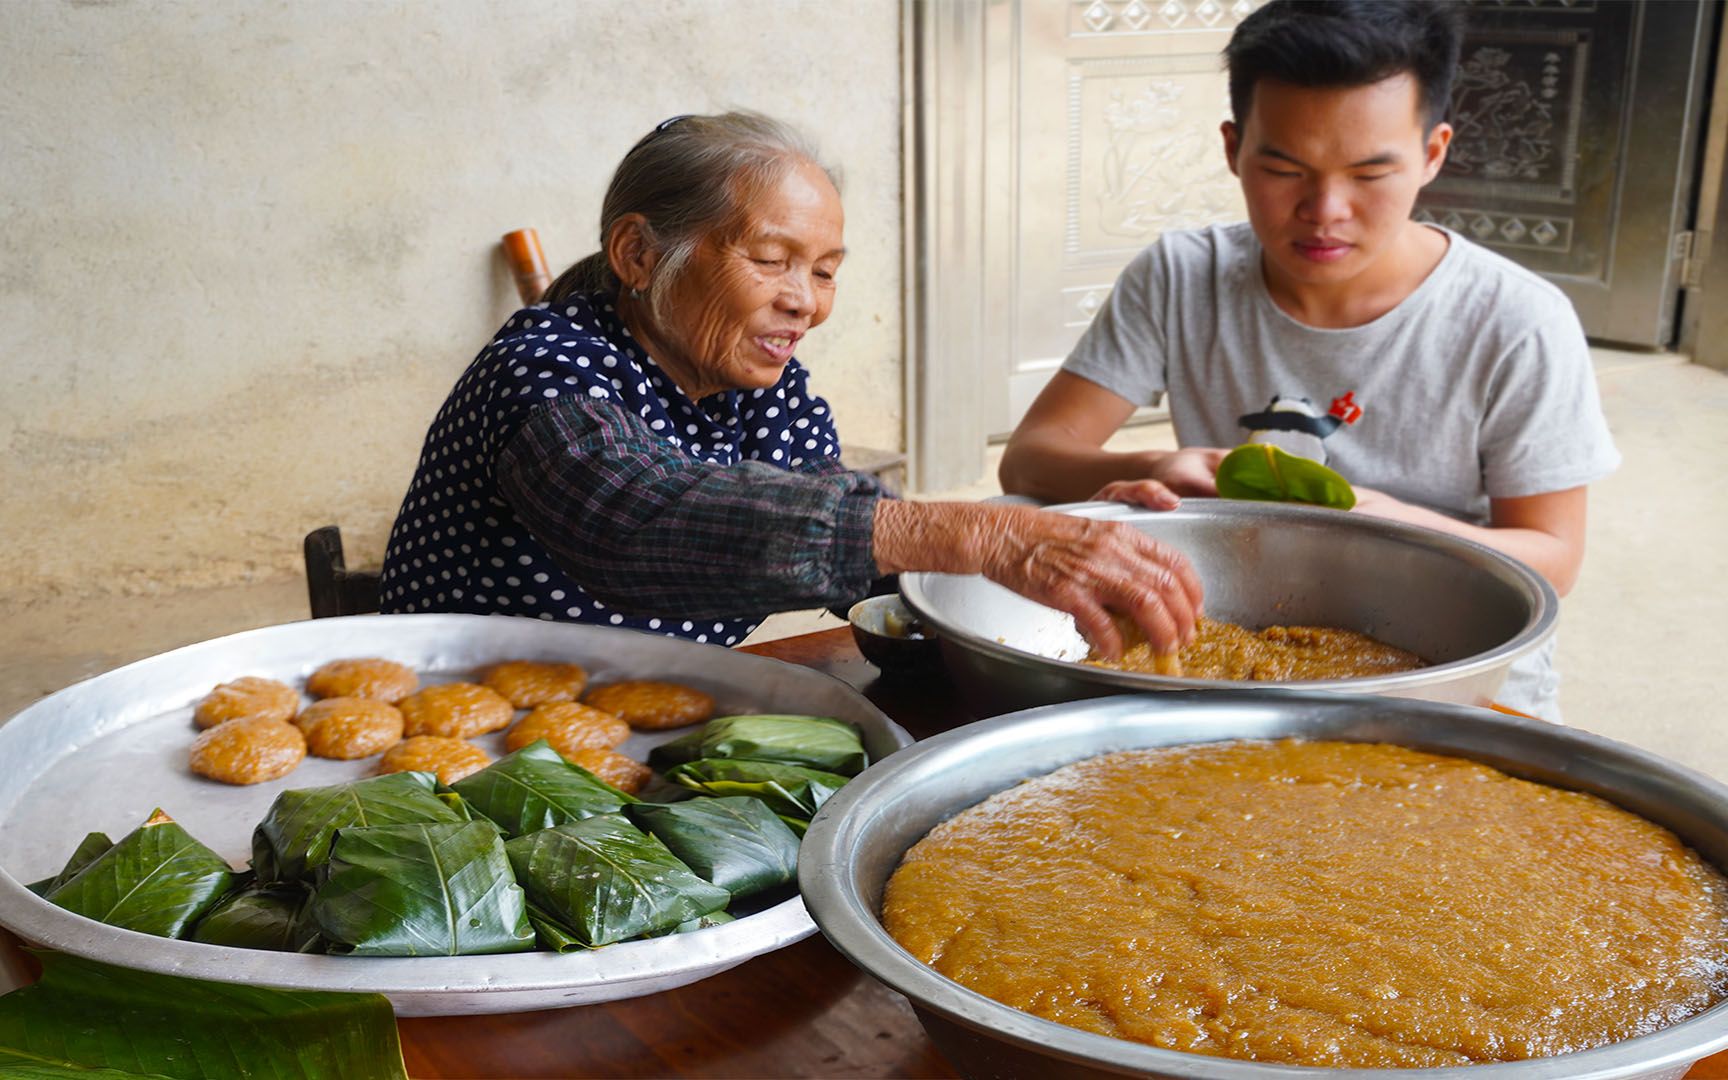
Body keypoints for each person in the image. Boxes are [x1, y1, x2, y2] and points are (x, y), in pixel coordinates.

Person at [379, 111, 1201, 658]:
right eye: (770, 261)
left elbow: (855, 535)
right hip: (464, 737)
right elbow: (628, 519)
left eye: (824, 271)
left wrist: (1064, 531)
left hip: (650, 720)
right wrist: (982, 538)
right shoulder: (544, 366)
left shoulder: (766, 386)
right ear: (636, 254)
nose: (804, 301)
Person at [997, 0, 1619, 719]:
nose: (1325, 209)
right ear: (1233, 148)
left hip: (1453, 669)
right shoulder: (1180, 277)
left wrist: (1388, 523)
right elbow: (1033, 460)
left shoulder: (1516, 320)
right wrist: (1150, 470)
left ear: (1434, 153)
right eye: (1285, 168)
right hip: (1240, 645)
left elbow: (1553, 557)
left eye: (1369, 173)